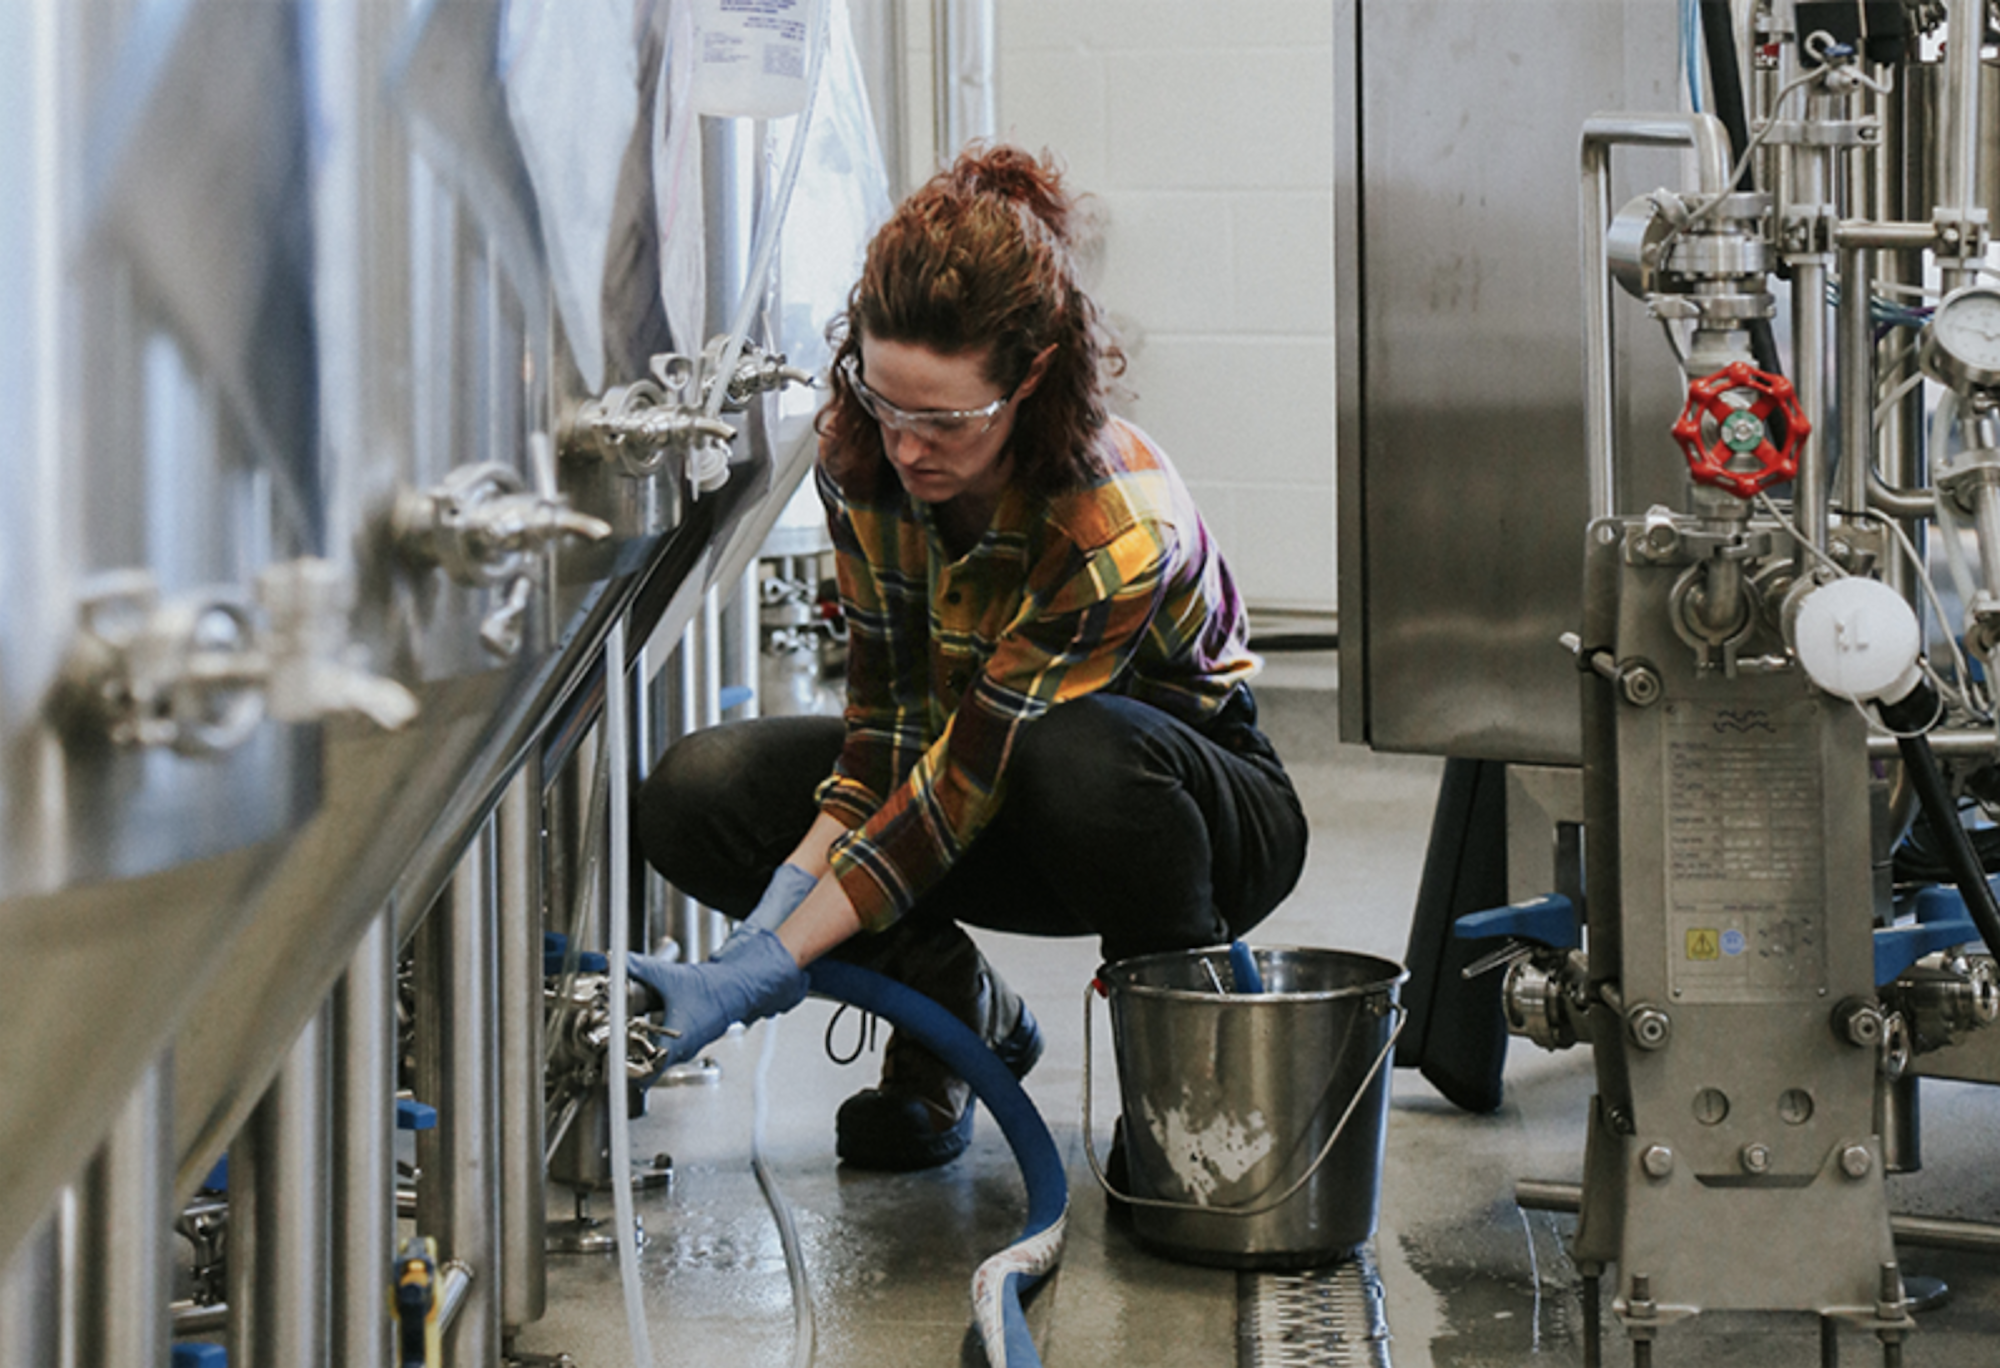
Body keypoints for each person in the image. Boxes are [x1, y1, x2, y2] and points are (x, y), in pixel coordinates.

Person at [628, 144, 1309, 1171]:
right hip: (983, 778)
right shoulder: (865, 463)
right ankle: (954, 1024)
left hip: (1177, 811)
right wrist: (761, 933)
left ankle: (1184, 1099)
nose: (907, 446)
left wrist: (776, 958)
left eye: (943, 419)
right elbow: (888, 741)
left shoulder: (1110, 520)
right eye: (885, 401)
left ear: (1031, 379)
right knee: (698, 793)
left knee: (1073, 755)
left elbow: (961, 781)